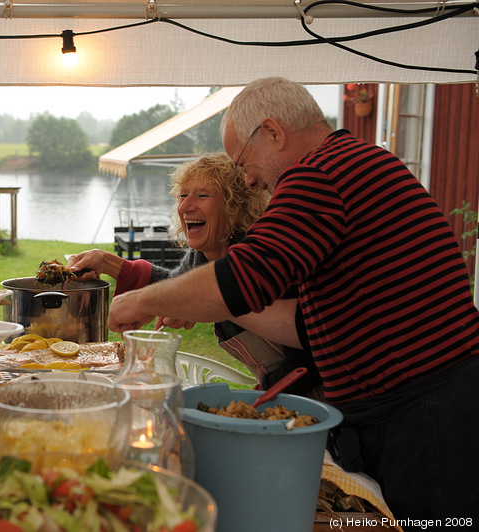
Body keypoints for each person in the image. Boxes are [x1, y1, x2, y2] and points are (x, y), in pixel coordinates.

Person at [107, 76, 479, 526]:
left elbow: (245, 277)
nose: (247, 178)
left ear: (273, 132)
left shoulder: (318, 173)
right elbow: (304, 323)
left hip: (424, 409)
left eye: (243, 162)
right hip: (419, 405)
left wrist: (142, 300)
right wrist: (197, 303)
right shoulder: (354, 161)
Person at [68, 154, 323, 398]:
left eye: (202, 195)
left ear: (235, 206)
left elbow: (313, 355)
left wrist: (256, 398)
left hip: (319, 397)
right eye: (182, 195)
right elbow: (173, 290)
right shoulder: (201, 256)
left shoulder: (259, 258)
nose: (185, 206)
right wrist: (108, 262)